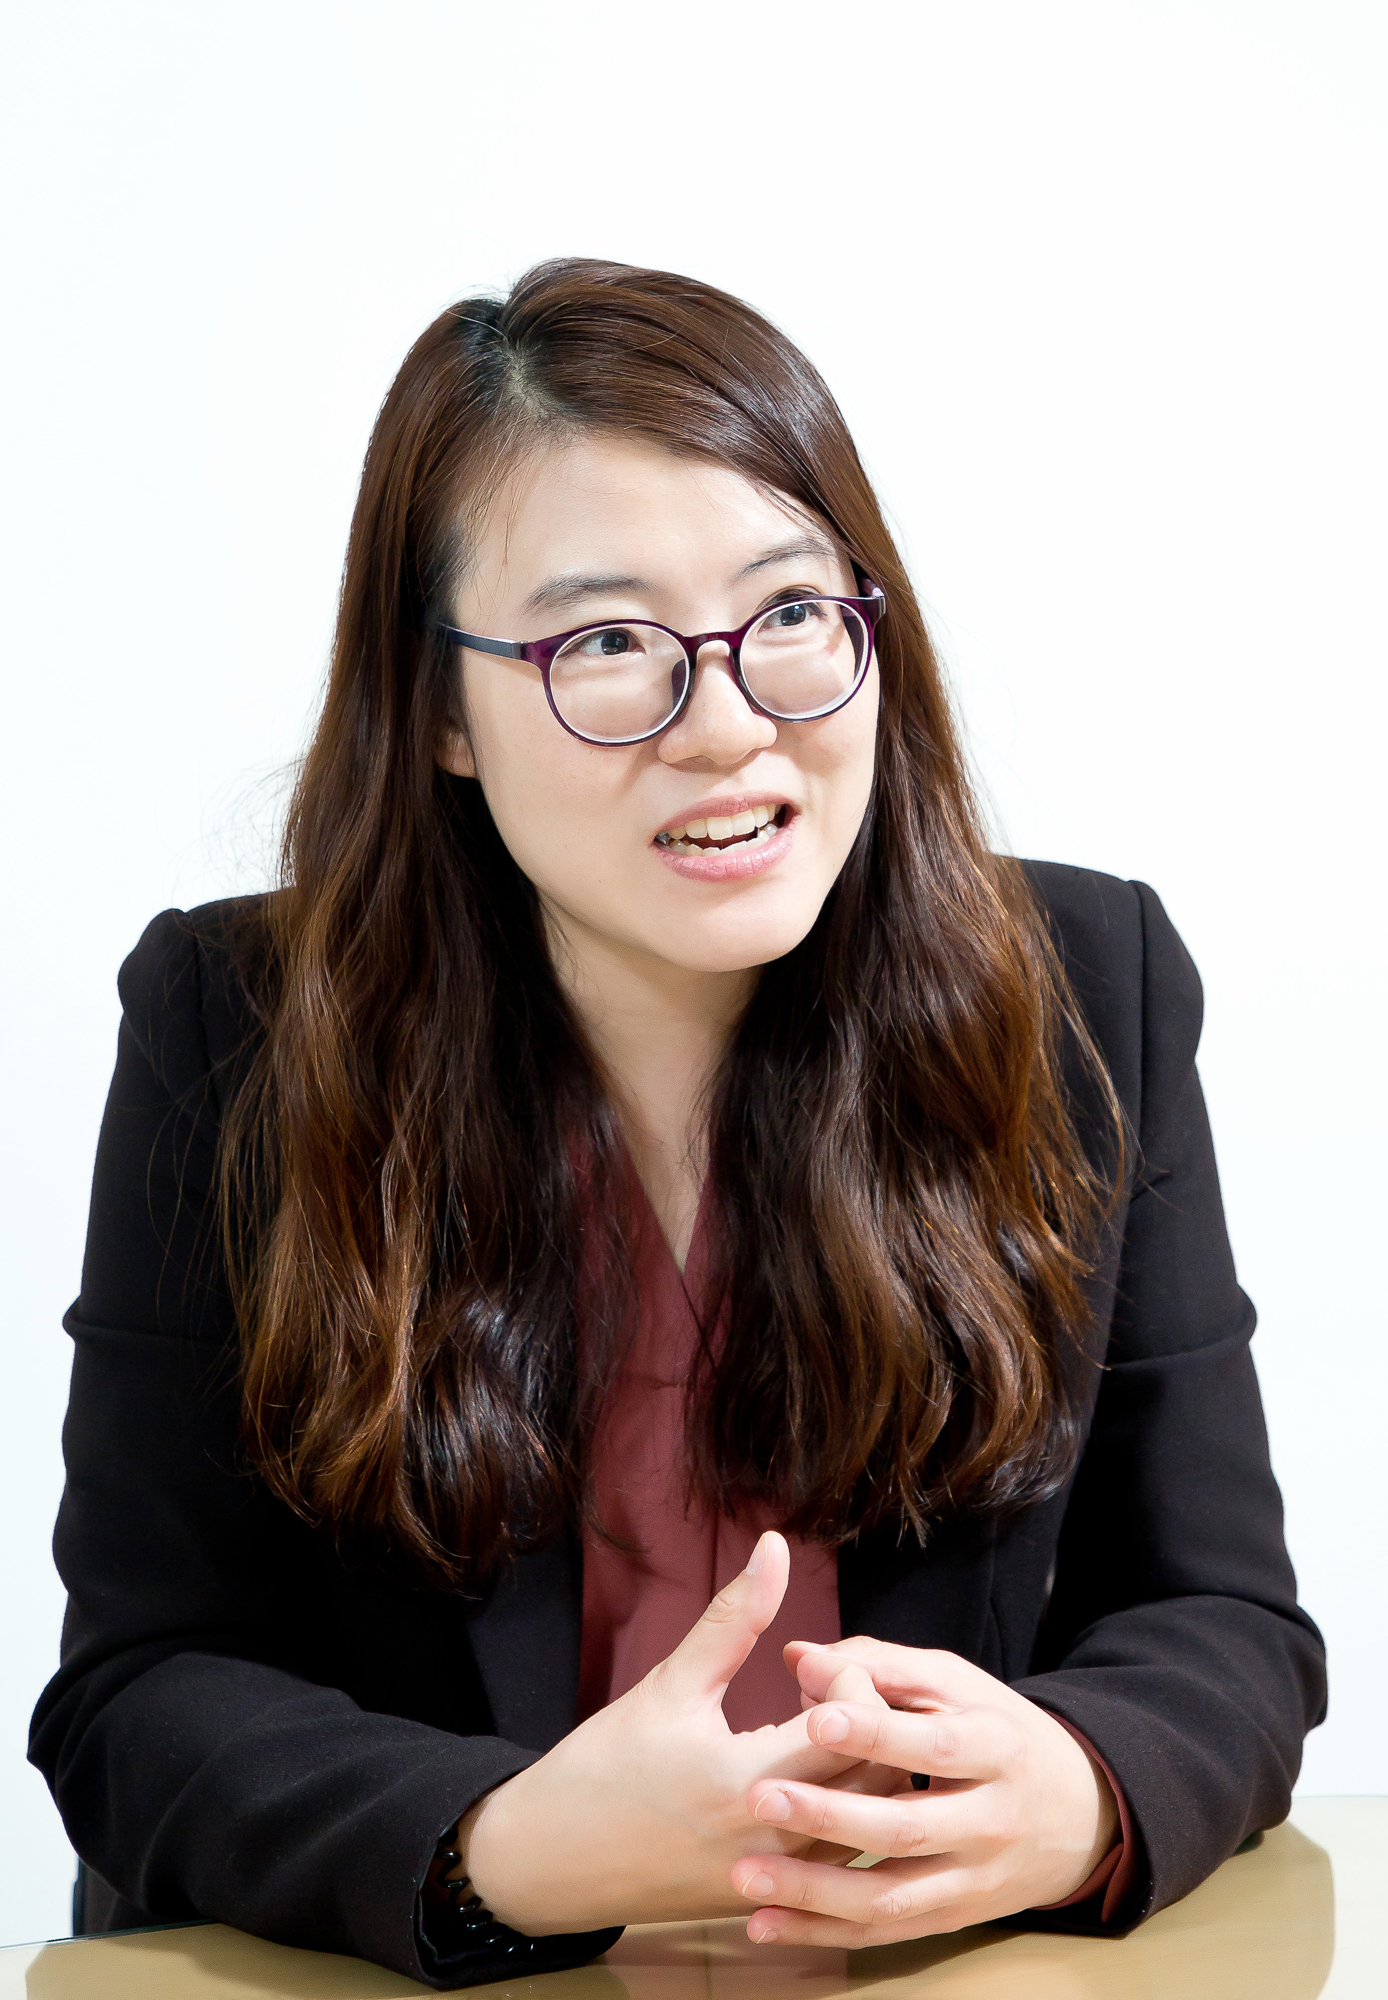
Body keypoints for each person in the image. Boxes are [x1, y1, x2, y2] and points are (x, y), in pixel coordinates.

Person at [30, 259, 1325, 1990]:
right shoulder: (243, 1030)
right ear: (441, 710)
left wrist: (1084, 1793)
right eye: (606, 646)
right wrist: (503, 1850)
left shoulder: (1088, 989)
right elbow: (140, 1689)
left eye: (790, 615)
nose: (728, 727)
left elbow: (1219, 1616)